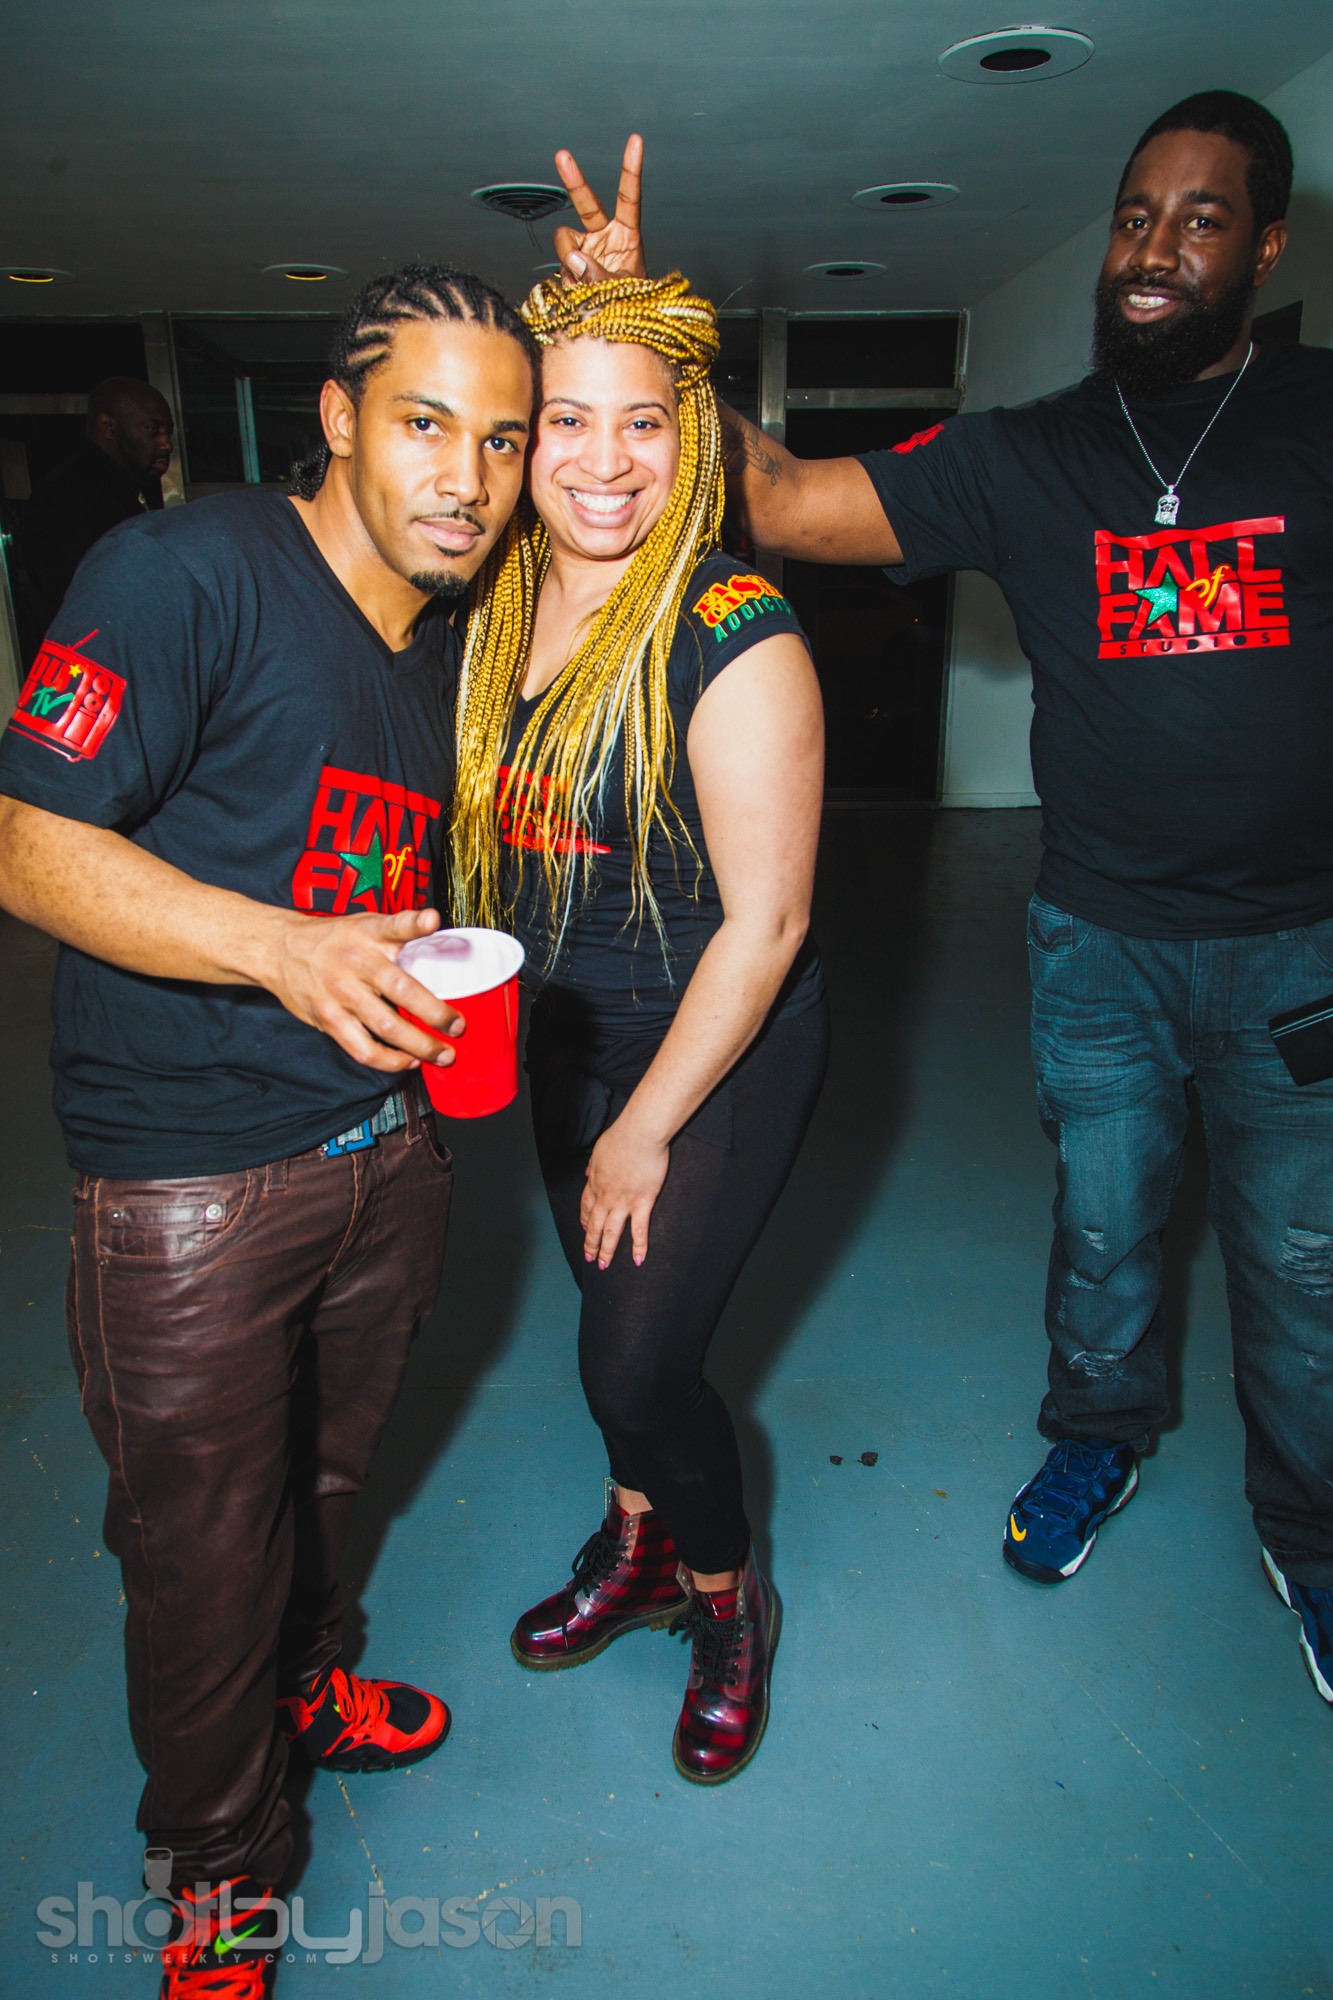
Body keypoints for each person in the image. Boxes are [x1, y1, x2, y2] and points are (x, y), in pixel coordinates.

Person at [560, 93, 1333, 1711]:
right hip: (1100, 942)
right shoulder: (1028, 454)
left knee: (1303, 1260)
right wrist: (649, 334)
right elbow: (780, 498)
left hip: (1300, 952)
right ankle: (1096, 1441)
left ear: (1263, 247)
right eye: (1133, 215)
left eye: (1199, 219)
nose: (1152, 248)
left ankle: (1310, 1535)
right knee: (1106, 1231)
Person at [0, 264, 537, 1996]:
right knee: (202, 1555)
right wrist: (280, 950)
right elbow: (25, 842)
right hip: (185, 1185)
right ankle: (216, 1871)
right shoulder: (184, 572)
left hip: (381, 1152)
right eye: (425, 423)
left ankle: (313, 1689)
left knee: (323, 1480)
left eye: (500, 439)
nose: (467, 475)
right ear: (336, 419)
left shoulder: (444, 632)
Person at [451, 268, 827, 1783]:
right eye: (566, 420)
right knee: (613, 1324)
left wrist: (643, 1128)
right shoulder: (495, 602)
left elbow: (768, 924)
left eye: (644, 423)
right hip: (563, 1044)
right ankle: (639, 1541)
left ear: (694, 440)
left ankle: (729, 1599)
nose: (605, 460)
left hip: (709, 1050)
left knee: (635, 1369)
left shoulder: (734, 627)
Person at [21, 376, 176, 630]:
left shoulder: (125, 486)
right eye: (152, 429)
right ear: (108, 426)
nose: (166, 444)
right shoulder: (69, 494)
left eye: (169, 432)